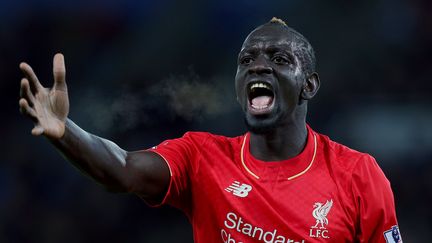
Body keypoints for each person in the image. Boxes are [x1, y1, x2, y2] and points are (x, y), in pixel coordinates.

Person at [18, 17, 402, 243]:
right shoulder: (202, 157)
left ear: (309, 85)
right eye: (247, 59)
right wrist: (65, 130)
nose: (257, 66)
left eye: (279, 59)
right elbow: (123, 169)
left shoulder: (358, 175)